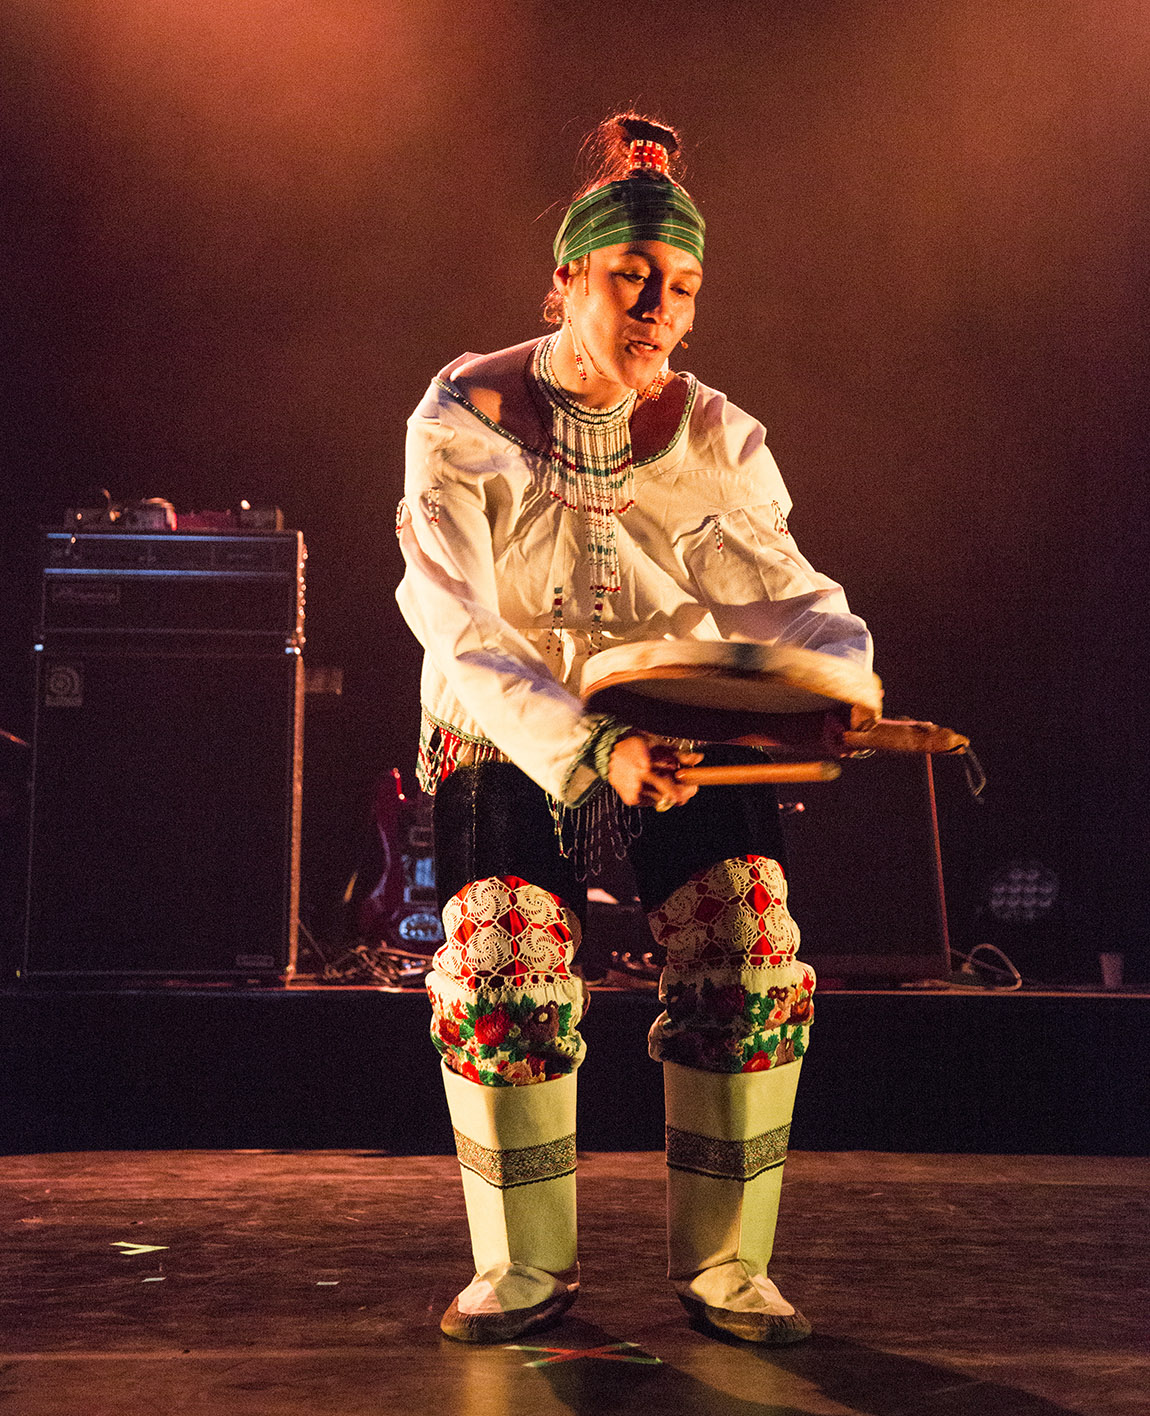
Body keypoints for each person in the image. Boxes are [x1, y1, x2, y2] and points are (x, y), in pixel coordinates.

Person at [395, 113, 873, 1346]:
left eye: (685, 287)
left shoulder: (713, 434)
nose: (659, 305)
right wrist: (582, 743)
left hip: (672, 738)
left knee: (751, 943)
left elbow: (790, 592)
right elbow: (454, 622)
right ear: (564, 281)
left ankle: (726, 1267)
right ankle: (523, 1268)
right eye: (631, 278)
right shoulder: (463, 415)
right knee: (506, 961)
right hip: (505, 733)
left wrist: (843, 684)